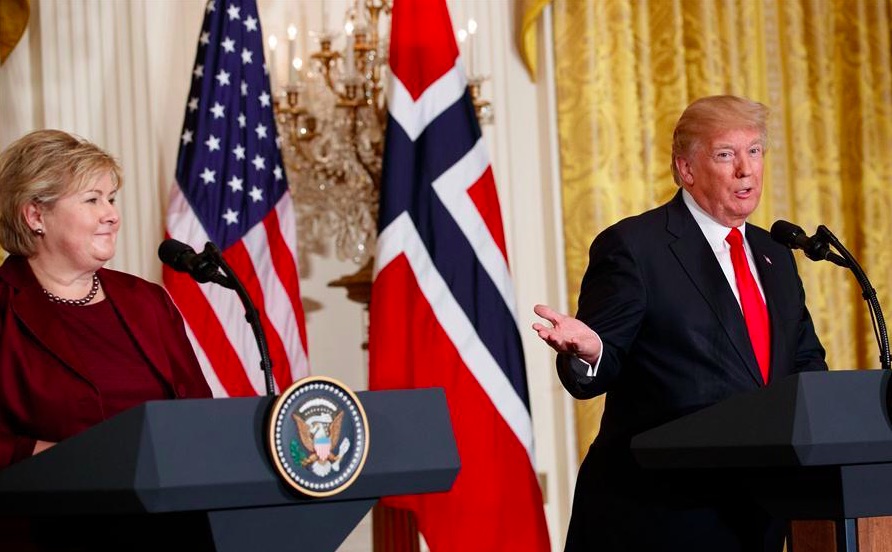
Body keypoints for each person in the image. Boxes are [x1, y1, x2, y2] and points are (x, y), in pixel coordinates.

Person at [533, 96, 827, 552]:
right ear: (686, 169)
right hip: (656, 517)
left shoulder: (776, 255)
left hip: (757, 517)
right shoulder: (635, 247)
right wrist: (591, 353)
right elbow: (598, 364)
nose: (746, 170)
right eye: (726, 154)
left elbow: (804, 363)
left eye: (754, 151)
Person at [0, 129, 212, 471]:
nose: (111, 215)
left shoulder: (146, 301)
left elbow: (198, 412)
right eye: (92, 199)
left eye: (111, 199)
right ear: (36, 216)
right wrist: (74, 460)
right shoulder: (4, 309)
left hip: (168, 513)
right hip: (54, 513)